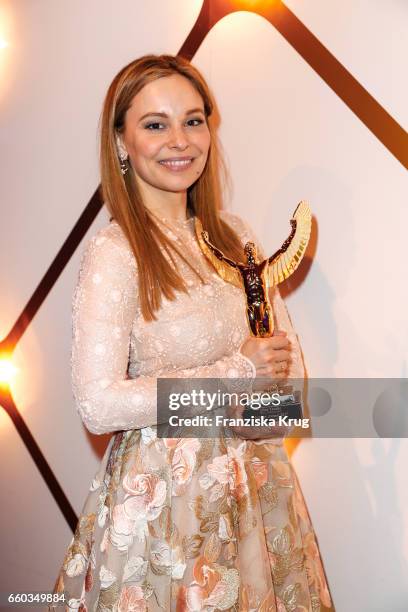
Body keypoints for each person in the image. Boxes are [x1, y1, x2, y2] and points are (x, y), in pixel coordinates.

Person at [49, 54, 334, 611]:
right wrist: (238, 373)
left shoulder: (236, 234)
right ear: (122, 142)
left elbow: (287, 387)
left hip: (256, 497)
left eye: (194, 120)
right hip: (166, 508)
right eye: (155, 124)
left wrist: (267, 404)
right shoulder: (116, 251)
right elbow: (99, 405)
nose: (180, 140)